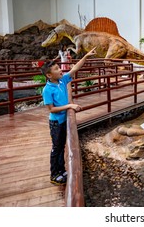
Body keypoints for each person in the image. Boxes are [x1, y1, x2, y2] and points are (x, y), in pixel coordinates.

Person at [41, 47, 96, 185]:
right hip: (56, 123)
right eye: (56, 69)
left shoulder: (62, 81)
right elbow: (51, 109)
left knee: (61, 147)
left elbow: (75, 68)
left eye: (59, 67)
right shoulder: (47, 89)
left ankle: (61, 170)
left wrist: (87, 56)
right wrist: (70, 106)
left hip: (63, 120)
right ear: (49, 75)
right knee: (56, 148)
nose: (60, 70)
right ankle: (54, 174)